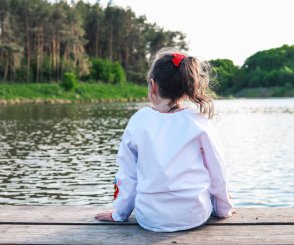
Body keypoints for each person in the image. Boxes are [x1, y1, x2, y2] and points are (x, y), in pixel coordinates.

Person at [95, 48, 233, 232]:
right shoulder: (199, 122)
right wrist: (223, 210)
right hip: (194, 214)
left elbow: (127, 174)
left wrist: (119, 213)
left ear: (153, 85)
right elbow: (218, 170)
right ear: (187, 88)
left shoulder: (139, 120)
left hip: (150, 218)